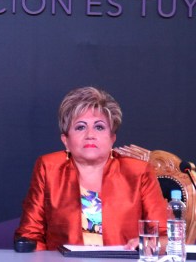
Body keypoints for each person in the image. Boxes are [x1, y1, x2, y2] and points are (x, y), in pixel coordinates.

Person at [15, 86, 167, 250]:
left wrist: (150, 244)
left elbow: (165, 236)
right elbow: (29, 236)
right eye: (80, 127)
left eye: (99, 127)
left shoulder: (138, 172)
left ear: (112, 138)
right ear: (65, 140)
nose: (90, 135)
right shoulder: (48, 168)